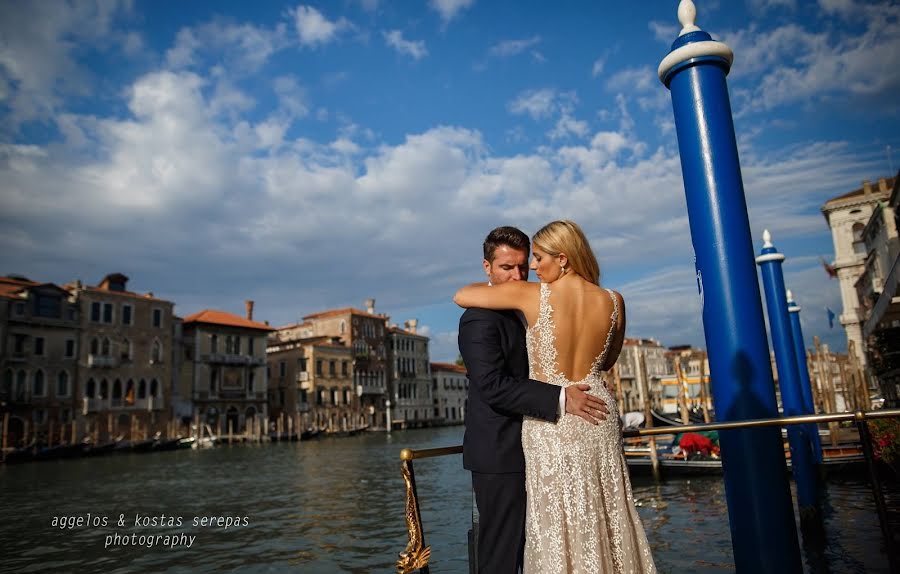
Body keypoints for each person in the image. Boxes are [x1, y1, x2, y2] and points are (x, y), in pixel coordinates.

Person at [455, 220, 656, 574]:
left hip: (555, 426)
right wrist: (568, 387)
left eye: (533, 260)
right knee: (607, 514)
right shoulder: (613, 300)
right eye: (510, 267)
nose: (526, 271)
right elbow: (607, 360)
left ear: (562, 258)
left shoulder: (531, 297)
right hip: (592, 411)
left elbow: (461, 294)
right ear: (487, 266)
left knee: (561, 526)